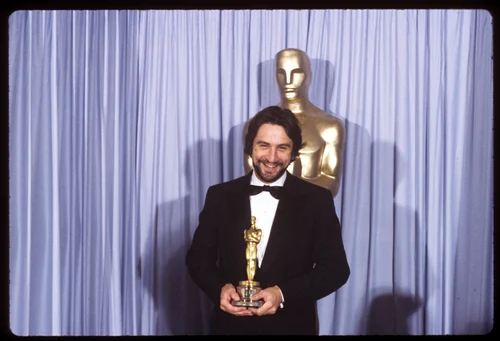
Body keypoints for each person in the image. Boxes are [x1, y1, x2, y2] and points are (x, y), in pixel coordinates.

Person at [186, 106, 350, 335]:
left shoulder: (317, 200)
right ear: (250, 147)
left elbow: (336, 270)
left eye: (282, 148)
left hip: (291, 327)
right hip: (229, 328)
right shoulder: (220, 196)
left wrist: (282, 293)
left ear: (293, 152)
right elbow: (198, 259)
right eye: (264, 145)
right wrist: (219, 289)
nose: (272, 158)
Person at [244, 48, 345, 197]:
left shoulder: (330, 126)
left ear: (309, 76)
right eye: (281, 73)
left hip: (312, 213)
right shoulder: (254, 126)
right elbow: (252, 177)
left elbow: (331, 180)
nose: (288, 81)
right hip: (265, 211)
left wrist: (292, 198)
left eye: (297, 72)